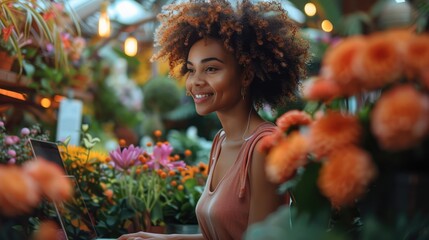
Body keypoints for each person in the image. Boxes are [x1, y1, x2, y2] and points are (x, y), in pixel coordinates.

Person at [118, 0, 308, 239]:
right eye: (191, 69)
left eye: (211, 69)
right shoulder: (220, 141)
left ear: (247, 74)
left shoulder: (264, 148)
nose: (195, 81)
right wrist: (163, 238)